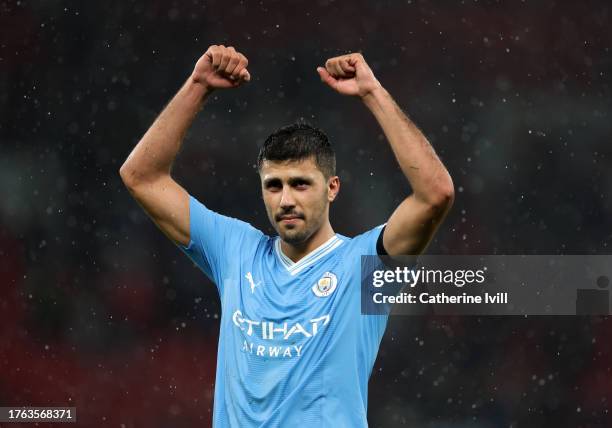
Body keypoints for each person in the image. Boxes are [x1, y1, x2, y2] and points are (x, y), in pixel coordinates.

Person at [120, 44, 454, 427]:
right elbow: (141, 176)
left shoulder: (364, 268)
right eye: (273, 185)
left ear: (332, 188)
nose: (286, 200)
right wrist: (198, 85)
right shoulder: (236, 250)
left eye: (300, 184)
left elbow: (435, 194)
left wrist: (372, 93)